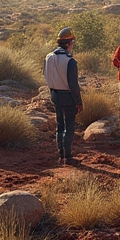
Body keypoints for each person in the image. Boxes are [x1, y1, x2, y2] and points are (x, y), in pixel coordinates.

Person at [45, 27, 84, 166]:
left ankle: (61, 155)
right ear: (68, 43)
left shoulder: (49, 57)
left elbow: (47, 77)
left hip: (55, 95)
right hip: (68, 97)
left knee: (60, 126)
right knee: (69, 127)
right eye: (72, 42)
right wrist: (79, 102)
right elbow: (74, 85)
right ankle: (68, 157)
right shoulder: (70, 61)